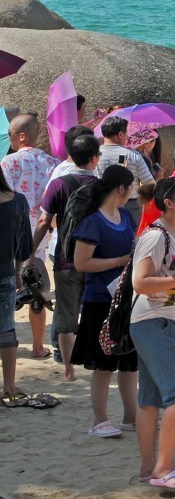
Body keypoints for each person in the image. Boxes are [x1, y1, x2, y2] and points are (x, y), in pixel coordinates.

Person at [130, 177, 175, 490]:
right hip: (154, 320)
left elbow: (171, 280)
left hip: (158, 319)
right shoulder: (156, 236)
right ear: (169, 202)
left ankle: (149, 467)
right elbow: (140, 282)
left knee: (150, 399)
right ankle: (163, 468)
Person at [70, 164, 140, 437]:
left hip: (123, 298)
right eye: (129, 187)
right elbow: (81, 263)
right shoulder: (92, 221)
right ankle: (99, 419)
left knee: (128, 361)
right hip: (100, 299)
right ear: (121, 189)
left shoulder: (123, 215)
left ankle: (131, 416)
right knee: (103, 363)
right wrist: (121, 261)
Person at [32, 132, 101, 381]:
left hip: (65, 257)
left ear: (71, 155)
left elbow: (43, 220)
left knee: (66, 314)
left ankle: (69, 369)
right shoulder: (103, 187)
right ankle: (95, 360)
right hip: (97, 259)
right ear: (95, 158)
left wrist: (30, 253)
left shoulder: (59, 183)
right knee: (95, 311)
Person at [1, 113, 57, 358]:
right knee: (37, 290)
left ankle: (7, 341)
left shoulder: (7, 163)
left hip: (9, 236)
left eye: (11, 135)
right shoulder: (51, 163)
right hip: (39, 237)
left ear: (21, 136)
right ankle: (37, 346)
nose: (10, 140)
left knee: (6, 290)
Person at [1, 165, 45, 407]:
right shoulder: (17, 201)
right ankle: (8, 386)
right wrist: (19, 271)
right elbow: (24, 243)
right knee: (6, 330)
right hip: (5, 272)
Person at [98, 116, 156, 220]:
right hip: (130, 207)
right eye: (126, 134)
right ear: (120, 134)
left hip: (100, 205)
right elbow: (149, 184)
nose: (127, 137)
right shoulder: (134, 155)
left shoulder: (94, 155)